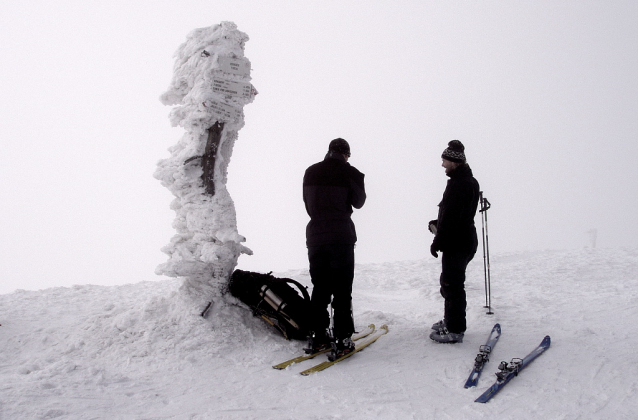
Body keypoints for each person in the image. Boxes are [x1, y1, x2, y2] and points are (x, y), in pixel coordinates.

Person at [302, 138, 366, 360]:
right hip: (340, 236)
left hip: (316, 235)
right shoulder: (350, 172)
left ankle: (318, 335)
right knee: (341, 288)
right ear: (346, 154)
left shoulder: (310, 171)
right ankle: (342, 338)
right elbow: (359, 202)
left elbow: (307, 203)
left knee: (320, 286)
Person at [429, 140, 480, 344]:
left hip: (458, 243)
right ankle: (451, 320)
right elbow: (452, 214)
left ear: (454, 161)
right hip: (462, 240)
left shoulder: (461, 184)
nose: (442, 165)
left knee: (452, 284)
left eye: (444, 160)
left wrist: (437, 240)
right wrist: (437, 223)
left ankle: (455, 329)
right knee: (448, 282)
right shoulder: (465, 181)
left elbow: (453, 219)